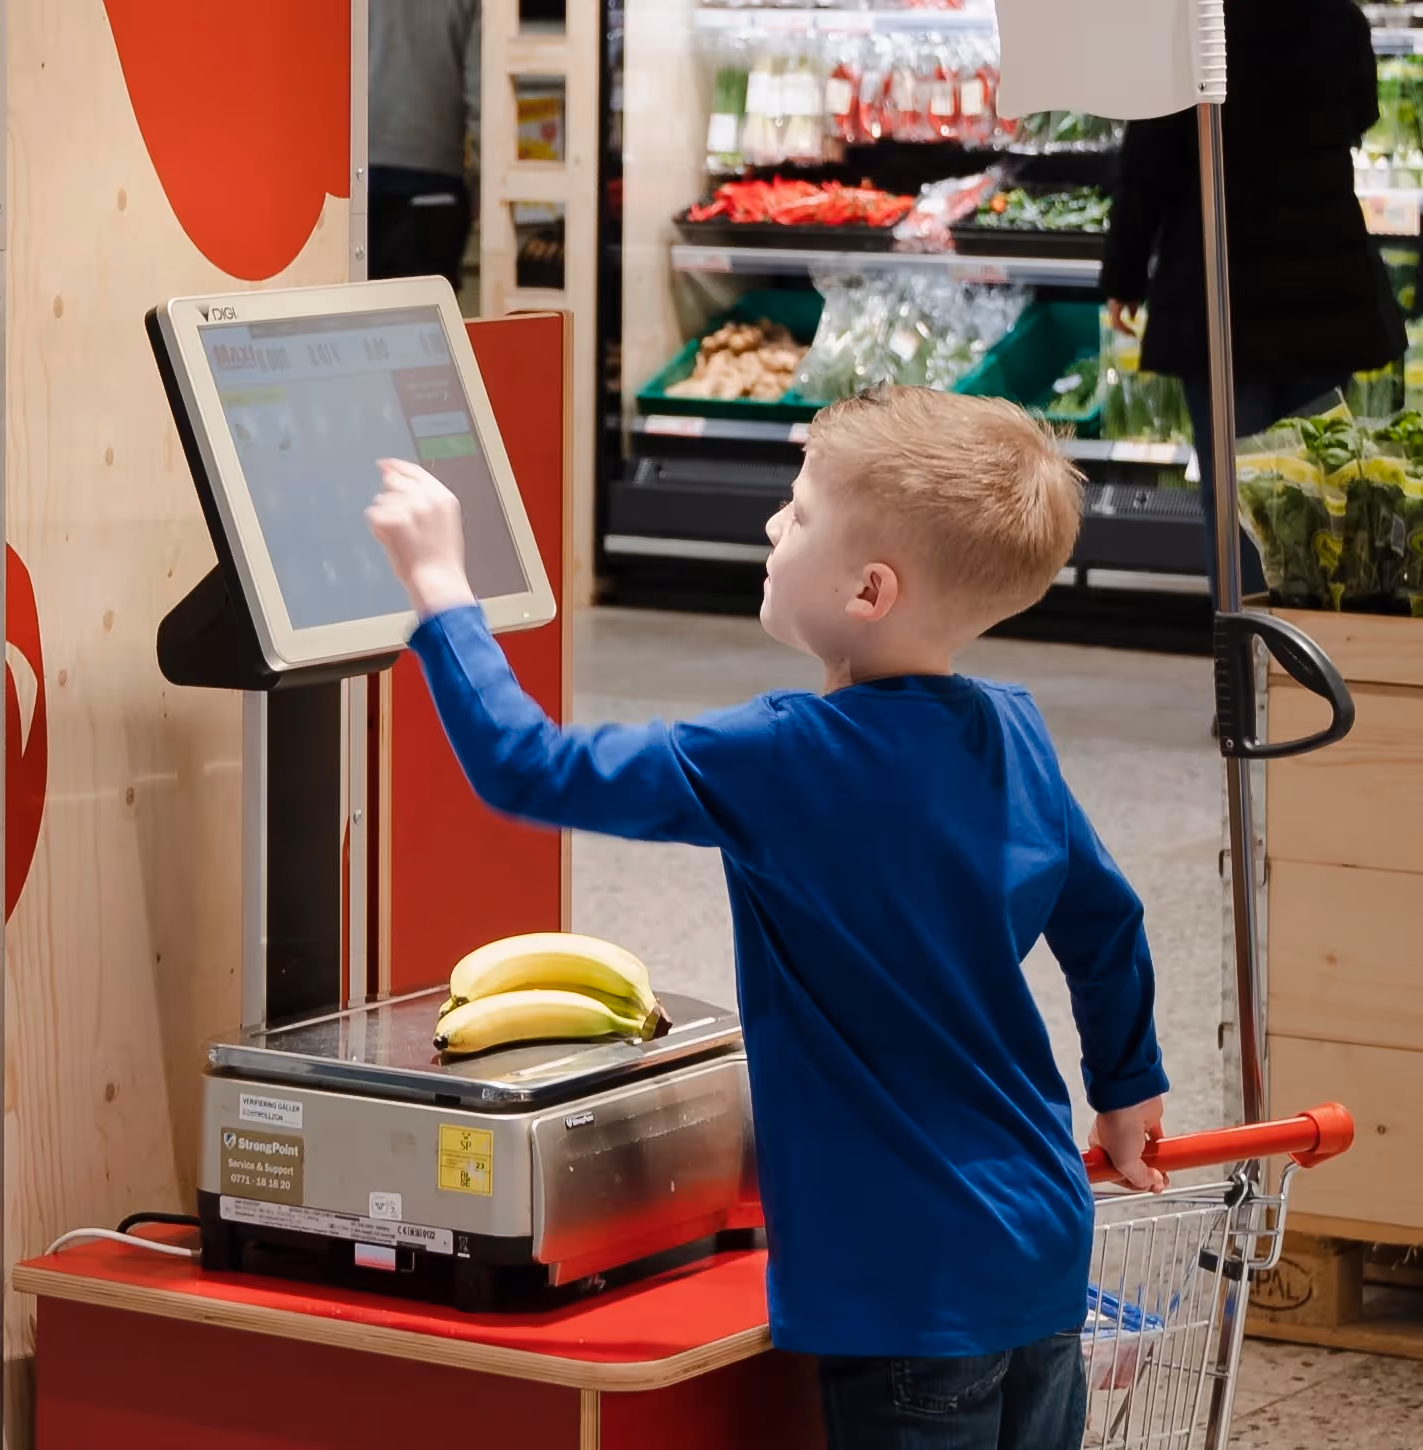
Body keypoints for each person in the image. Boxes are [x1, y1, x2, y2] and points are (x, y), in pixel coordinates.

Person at [366, 386, 1169, 1450]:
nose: (769, 523)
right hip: (1040, 1245)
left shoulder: (780, 755)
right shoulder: (1012, 731)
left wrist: (440, 591)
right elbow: (1105, 922)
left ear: (868, 589)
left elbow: (529, 768)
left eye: (796, 512)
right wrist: (1126, 1085)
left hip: (899, 1280)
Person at [1103, 0, 1403, 599]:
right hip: (1321, 286)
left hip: (1221, 287)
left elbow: (1148, 163)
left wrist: (1124, 274)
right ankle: (1305, 641)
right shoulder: (1337, 16)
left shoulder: (1194, 23)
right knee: (1315, 492)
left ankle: (1243, 642)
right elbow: (1360, 116)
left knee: (1235, 497)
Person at [368, 0, 479, 295]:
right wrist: (485, 186)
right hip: (434, 182)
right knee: (425, 315)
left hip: (348, 184)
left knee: (341, 317)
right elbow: (484, 93)